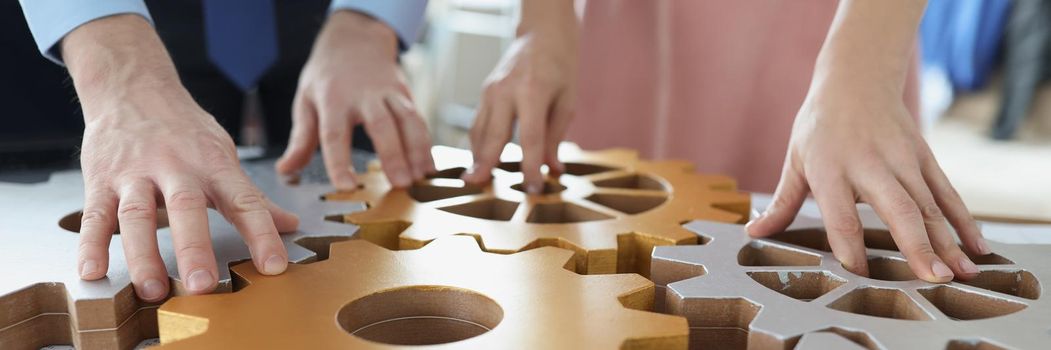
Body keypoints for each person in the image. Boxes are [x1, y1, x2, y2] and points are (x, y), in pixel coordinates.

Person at [467, 0, 990, 284]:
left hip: (837, 37)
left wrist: (863, 68)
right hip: (630, 28)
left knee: (810, 255)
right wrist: (541, 20)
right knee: (605, 268)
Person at [19, 0, 434, 302]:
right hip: (128, 23)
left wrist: (369, 21)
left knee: (363, 240)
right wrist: (118, 70)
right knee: (160, 214)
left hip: (328, 19)